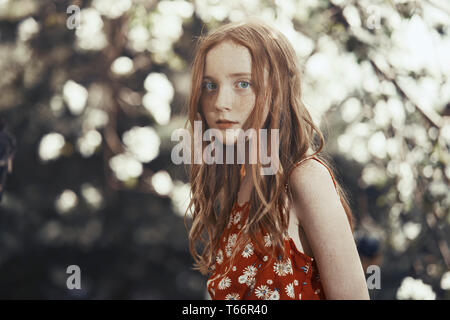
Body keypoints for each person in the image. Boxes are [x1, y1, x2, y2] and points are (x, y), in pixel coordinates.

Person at [184, 18, 369, 300]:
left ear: (277, 92)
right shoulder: (240, 186)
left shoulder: (305, 178)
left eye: (242, 83)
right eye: (210, 86)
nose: (220, 101)